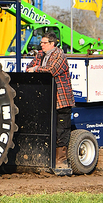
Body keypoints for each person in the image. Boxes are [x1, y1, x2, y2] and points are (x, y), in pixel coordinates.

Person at [26, 32, 75, 169]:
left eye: (44, 43)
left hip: (61, 99)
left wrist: (35, 69)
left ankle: (61, 160)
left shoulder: (59, 55)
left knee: (61, 130)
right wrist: (35, 69)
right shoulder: (40, 55)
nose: (41, 45)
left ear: (52, 44)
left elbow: (52, 70)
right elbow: (29, 67)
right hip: (47, 99)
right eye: (41, 43)